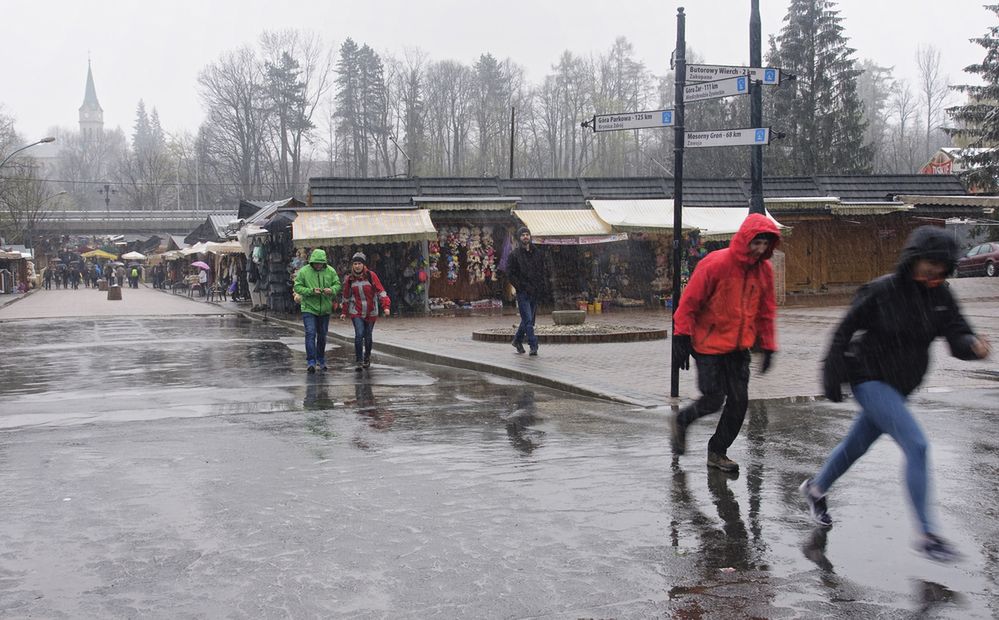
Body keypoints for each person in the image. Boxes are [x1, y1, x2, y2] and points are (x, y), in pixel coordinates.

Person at [800, 225, 991, 562]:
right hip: (868, 378)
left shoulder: (941, 297)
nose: (934, 272)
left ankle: (815, 489)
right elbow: (845, 330)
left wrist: (973, 347)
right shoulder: (882, 290)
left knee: (856, 445)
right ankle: (928, 533)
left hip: (901, 386)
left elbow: (957, 334)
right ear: (914, 259)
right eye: (929, 264)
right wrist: (830, 374)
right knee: (916, 445)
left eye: (941, 267)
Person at [669, 213, 781, 472]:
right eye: (756, 243)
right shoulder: (715, 264)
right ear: (745, 240)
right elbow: (689, 303)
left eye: (765, 244)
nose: (760, 249)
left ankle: (717, 452)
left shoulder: (764, 271)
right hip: (709, 346)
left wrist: (768, 346)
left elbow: (766, 311)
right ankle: (683, 421)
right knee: (713, 399)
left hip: (739, 347)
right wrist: (681, 336)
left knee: (739, 402)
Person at [293, 248, 342, 374]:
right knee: (310, 333)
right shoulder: (304, 271)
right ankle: (311, 361)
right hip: (309, 308)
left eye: (320, 263)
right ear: (312, 262)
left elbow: (337, 285)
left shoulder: (330, 271)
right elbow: (297, 287)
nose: (318, 265)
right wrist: (310, 291)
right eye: (316, 263)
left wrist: (331, 290)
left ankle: (321, 359)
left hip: (325, 309)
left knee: (322, 335)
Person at [340, 252, 390, 372]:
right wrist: (344, 312)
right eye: (355, 264)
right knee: (359, 335)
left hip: (371, 311)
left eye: (359, 263)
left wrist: (386, 306)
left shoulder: (371, 276)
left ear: (363, 265)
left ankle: (367, 357)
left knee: (368, 336)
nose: (357, 266)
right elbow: (346, 296)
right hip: (356, 311)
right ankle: (359, 360)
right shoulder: (349, 279)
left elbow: (381, 291)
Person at [506, 226, 548, 356]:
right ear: (519, 238)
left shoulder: (537, 253)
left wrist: (541, 286)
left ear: (530, 237)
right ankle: (533, 345)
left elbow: (542, 271)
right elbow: (510, 274)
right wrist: (520, 286)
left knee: (528, 320)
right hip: (523, 292)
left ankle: (517, 340)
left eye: (527, 234)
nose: (525, 237)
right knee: (528, 320)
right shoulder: (514, 255)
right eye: (523, 235)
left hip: (535, 291)